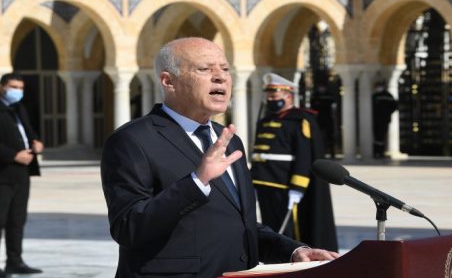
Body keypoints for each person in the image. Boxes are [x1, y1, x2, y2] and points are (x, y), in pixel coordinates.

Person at [100, 38, 338, 278]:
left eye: (225, 69)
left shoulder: (229, 140)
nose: (220, 77)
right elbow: (128, 228)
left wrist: (293, 250)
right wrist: (196, 181)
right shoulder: (133, 140)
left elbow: (236, 224)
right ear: (168, 81)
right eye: (204, 69)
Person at [250, 73, 338, 252]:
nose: (271, 100)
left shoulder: (300, 121)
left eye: (275, 97)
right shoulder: (266, 120)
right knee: (271, 225)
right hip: (263, 181)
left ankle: (292, 254)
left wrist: (297, 188)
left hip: (285, 183)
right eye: (269, 97)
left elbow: (304, 156)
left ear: (288, 96)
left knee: (289, 228)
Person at [0, 73, 44, 276]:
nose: (17, 91)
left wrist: (36, 143)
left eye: (20, 88)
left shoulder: (19, 109)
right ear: (2, 87)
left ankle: (14, 261)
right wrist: (14, 156)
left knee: (17, 220)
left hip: (22, 173)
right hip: (3, 173)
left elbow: (28, 132)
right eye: (13, 87)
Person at [372, 81, 398, 159]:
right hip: (382, 118)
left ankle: (379, 152)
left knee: (379, 136)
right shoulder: (388, 95)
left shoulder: (377, 96)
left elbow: (394, 106)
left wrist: (385, 113)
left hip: (380, 118)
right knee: (380, 136)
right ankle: (379, 152)